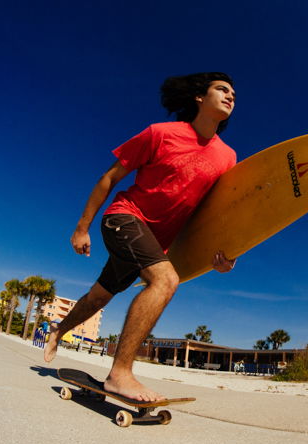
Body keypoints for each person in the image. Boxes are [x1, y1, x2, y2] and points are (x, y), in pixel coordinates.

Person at [44, 72, 238, 402]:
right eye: (222, 89)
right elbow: (110, 177)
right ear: (199, 98)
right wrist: (81, 228)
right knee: (165, 280)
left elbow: (217, 214)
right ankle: (120, 374)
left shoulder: (227, 158)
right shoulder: (160, 134)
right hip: (124, 218)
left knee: (98, 297)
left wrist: (226, 255)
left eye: (234, 93)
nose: (231, 96)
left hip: (152, 242)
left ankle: (58, 331)